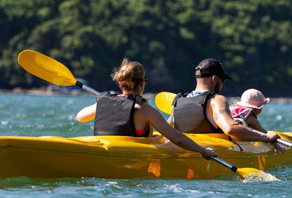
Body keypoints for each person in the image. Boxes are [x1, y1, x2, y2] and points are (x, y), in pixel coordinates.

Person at [76, 58, 217, 158]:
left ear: (119, 83)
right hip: (127, 159)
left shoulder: (102, 102)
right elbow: (177, 138)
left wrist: (104, 102)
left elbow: (80, 117)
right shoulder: (145, 110)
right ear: (143, 83)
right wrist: (202, 151)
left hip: (102, 153)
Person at [169, 58, 280, 145]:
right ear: (214, 79)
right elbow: (230, 129)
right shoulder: (216, 100)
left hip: (183, 152)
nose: (222, 85)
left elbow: (167, 131)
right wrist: (266, 137)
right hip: (213, 153)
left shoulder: (178, 101)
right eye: (223, 81)